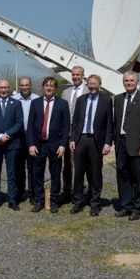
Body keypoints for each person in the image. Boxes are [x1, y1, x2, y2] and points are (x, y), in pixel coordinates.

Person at [69, 74, 113, 217]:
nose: (92, 86)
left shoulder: (106, 101)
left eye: (95, 83)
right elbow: (75, 122)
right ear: (87, 85)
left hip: (96, 141)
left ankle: (95, 203)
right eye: (90, 84)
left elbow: (109, 124)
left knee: (95, 173)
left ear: (100, 85)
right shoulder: (81, 100)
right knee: (79, 172)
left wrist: (107, 143)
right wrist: (72, 139)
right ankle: (78, 201)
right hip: (81, 139)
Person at [113, 71, 140, 221]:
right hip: (121, 143)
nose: (128, 83)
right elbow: (115, 122)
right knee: (122, 175)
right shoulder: (118, 99)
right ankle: (126, 206)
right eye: (126, 81)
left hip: (137, 145)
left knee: (138, 178)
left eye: (131, 80)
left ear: (137, 82)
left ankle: (138, 208)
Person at [27, 77, 70, 213]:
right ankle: (39, 200)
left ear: (55, 88)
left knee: (55, 174)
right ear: (43, 87)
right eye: (46, 85)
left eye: (52, 85)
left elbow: (66, 126)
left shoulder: (63, 104)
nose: (49, 87)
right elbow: (30, 126)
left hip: (55, 145)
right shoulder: (35, 103)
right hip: (39, 145)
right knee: (37, 174)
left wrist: (63, 145)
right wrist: (31, 144)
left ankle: (54, 200)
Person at [0, 79, 24, 211]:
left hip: (12, 144)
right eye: (1, 88)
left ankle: (12, 199)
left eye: (6, 88)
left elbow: (19, 123)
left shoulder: (16, 104)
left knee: (12, 172)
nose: (3, 90)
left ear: (9, 89)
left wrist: (7, 134)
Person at [60, 66, 87, 204]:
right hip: (67, 133)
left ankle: (80, 190)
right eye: (73, 74)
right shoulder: (66, 92)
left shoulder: (89, 90)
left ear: (83, 76)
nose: (75, 77)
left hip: (82, 134)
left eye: (78, 74)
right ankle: (67, 189)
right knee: (67, 165)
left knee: (81, 164)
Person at [11, 76, 39, 204]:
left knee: (32, 166)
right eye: (22, 85)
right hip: (18, 136)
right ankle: (20, 192)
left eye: (26, 85)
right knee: (18, 166)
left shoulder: (37, 99)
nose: (24, 87)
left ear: (30, 85)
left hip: (32, 136)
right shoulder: (14, 99)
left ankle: (33, 193)